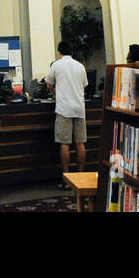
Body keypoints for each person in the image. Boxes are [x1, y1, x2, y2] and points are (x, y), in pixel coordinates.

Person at [45, 41, 89, 184]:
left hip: (64, 108)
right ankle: (81, 177)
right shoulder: (80, 66)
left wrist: (55, 93)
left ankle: (66, 179)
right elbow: (85, 85)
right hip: (79, 108)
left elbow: (48, 83)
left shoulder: (56, 65)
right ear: (72, 51)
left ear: (59, 52)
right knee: (80, 143)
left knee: (64, 144)